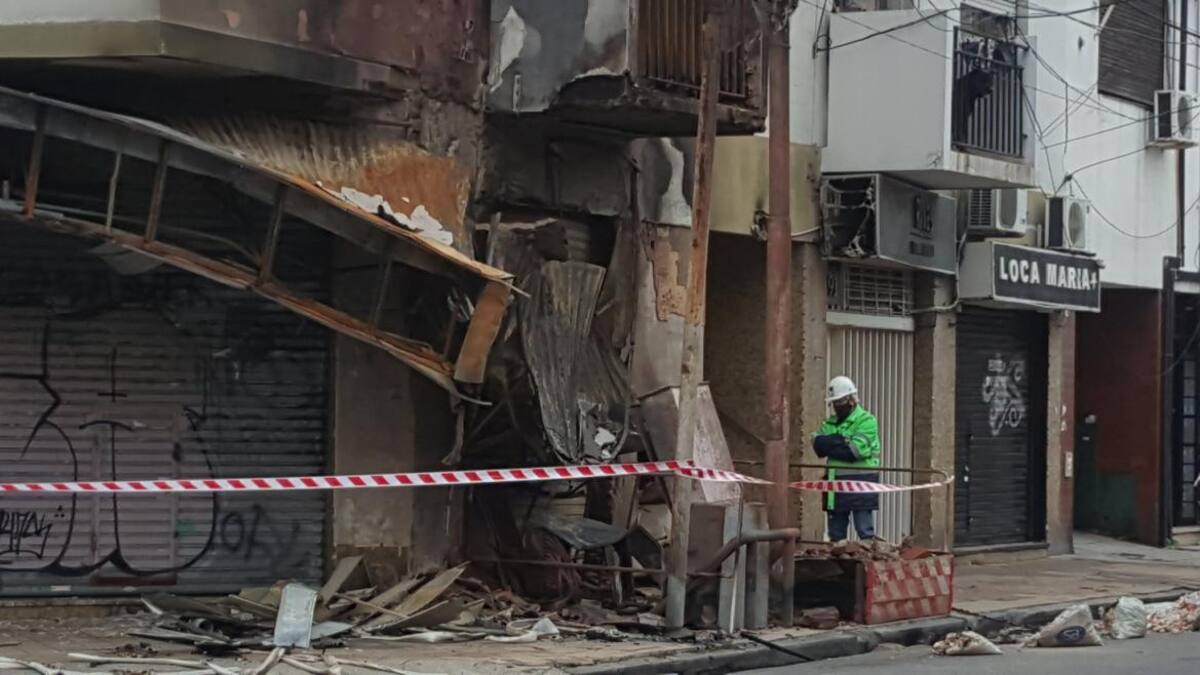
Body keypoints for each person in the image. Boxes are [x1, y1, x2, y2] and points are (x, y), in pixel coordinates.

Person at [811, 376, 881, 541]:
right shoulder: (830, 423)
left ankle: (866, 556)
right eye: (835, 402)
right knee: (836, 534)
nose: (837, 406)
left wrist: (831, 443)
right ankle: (838, 557)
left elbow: (854, 452)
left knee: (864, 531)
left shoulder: (866, 421)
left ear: (852, 400)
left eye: (840, 402)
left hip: (861, 483)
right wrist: (841, 441)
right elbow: (817, 445)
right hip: (835, 483)